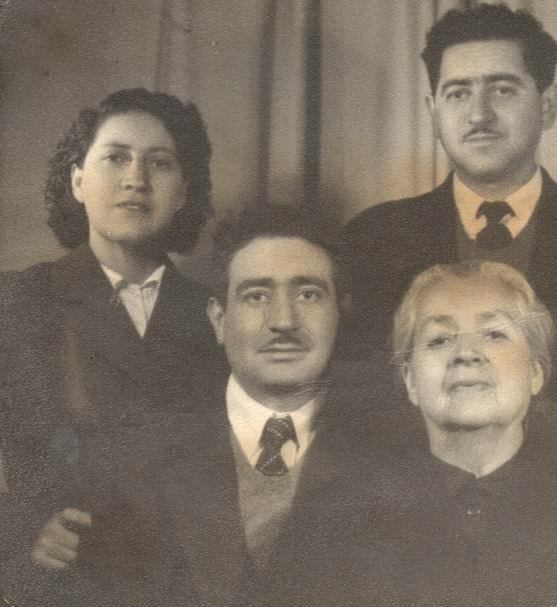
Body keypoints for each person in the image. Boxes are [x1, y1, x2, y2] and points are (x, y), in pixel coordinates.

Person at [20, 205, 386, 606]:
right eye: (256, 296)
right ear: (218, 319)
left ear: (340, 315)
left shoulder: (395, 450)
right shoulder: (129, 456)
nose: (283, 320)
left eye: (308, 294)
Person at [342, 3, 557, 399]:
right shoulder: (372, 238)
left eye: (502, 90)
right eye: (458, 93)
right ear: (433, 112)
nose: (478, 115)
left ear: (548, 105)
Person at [279, 261, 557, 606]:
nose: (466, 354)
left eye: (494, 334)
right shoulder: (333, 521)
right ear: (410, 380)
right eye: (439, 339)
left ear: (535, 373)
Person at [0, 88, 222, 600]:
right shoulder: (17, 301)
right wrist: (17, 529)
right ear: (77, 180)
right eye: (116, 157)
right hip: (62, 585)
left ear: (184, 191)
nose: (135, 179)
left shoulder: (216, 313)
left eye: (159, 163)